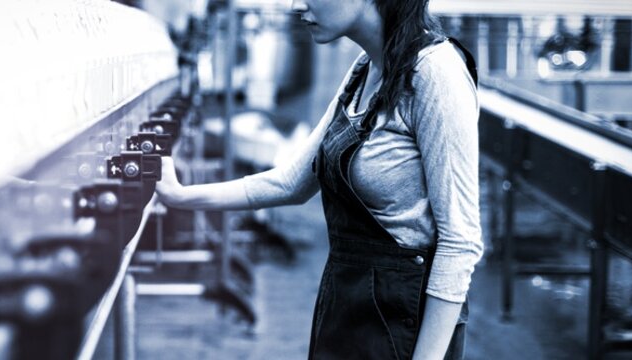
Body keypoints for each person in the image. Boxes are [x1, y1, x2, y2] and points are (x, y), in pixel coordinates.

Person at [155, 0, 483, 358]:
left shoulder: (435, 72)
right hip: (346, 307)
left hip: (402, 323)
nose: (297, 5)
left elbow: (460, 242)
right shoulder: (363, 71)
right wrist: (181, 196)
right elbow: (292, 183)